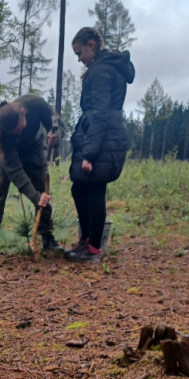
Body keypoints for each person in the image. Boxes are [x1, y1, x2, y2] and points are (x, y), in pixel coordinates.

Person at [64, 27, 135, 263]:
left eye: (79, 52)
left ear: (91, 45)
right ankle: (87, 242)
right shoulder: (103, 68)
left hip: (103, 139)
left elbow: (100, 114)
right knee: (81, 189)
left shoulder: (102, 71)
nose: (79, 59)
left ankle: (93, 250)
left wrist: (89, 154)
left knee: (93, 191)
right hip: (105, 136)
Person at [0, 94, 62, 257]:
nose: (19, 133)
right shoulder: (3, 135)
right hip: (10, 157)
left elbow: (55, 121)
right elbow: (16, 172)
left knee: (43, 191)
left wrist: (55, 133)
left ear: (23, 112)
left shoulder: (35, 103)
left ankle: (48, 238)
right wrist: (34, 197)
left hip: (35, 151)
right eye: (15, 133)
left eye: (20, 128)